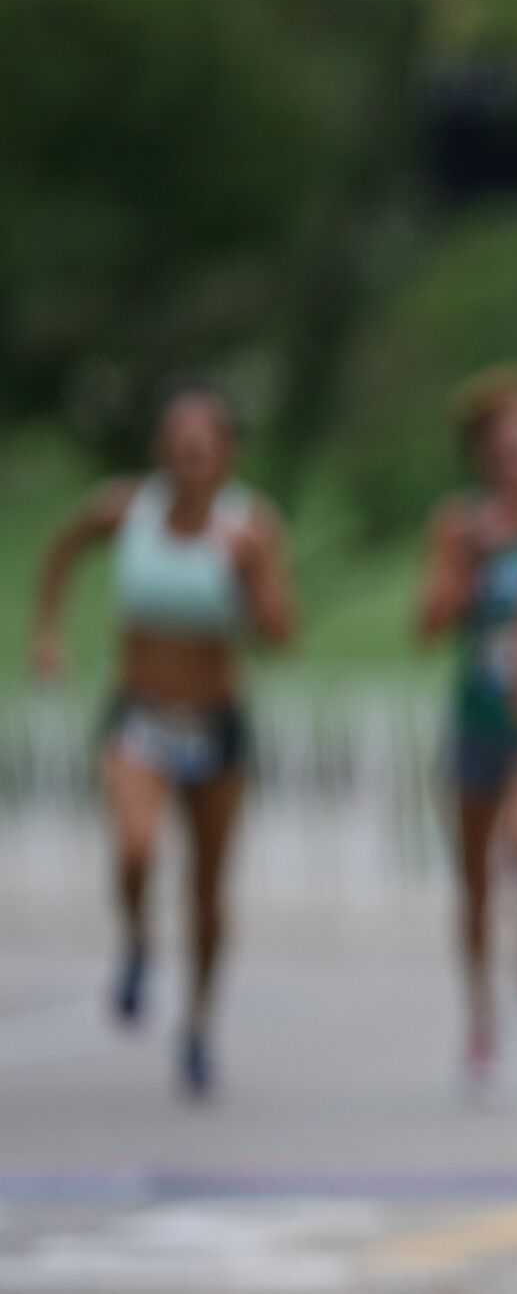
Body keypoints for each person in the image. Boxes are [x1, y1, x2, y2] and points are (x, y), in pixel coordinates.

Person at [30, 386, 296, 1098]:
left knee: (209, 888)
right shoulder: (125, 509)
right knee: (137, 844)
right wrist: (47, 631)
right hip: (140, 714)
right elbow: (62, 549)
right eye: (178, 442)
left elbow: (279, 635)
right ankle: (139, 941)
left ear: (224, 454)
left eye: (203, 443)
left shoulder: (251, 527)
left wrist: (248, 576)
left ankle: (200, 1024)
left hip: (214, 721)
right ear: (160, 450)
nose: (190, 455)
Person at [416, 364, 517, 1091]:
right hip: (477, 717)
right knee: (477, 882)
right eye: (504, 443)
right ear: (484, 453)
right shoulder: (460, 524)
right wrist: (470, 562)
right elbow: (428, 622)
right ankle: (481, 1018)